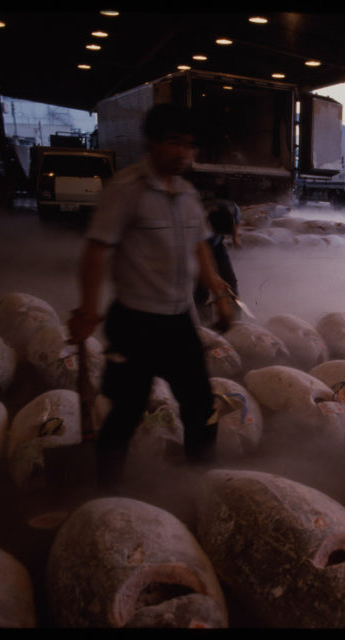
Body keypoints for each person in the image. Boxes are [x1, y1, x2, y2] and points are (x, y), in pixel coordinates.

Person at [68, 103, 235, 491]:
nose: (182, 153)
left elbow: (201, 248)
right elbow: (96, 250)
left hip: (179, 321)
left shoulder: (189, 194)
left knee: (200, 408)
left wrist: (219, 292)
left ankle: (201, 487)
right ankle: (106, 493)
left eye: (190, 145)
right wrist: (89, 311)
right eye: (174, 143)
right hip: (135, 323)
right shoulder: (126, 190)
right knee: (124, 414)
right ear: (153, 141)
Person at [194, 199, 242, 327]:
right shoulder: (198, 219)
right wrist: (214, 277)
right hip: (200, 247)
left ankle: (236, 317)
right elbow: (199, 254)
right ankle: (204, 320)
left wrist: (235, 238)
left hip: (218, 246)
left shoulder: (234, 209)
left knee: (231, 281)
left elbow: (236, 224)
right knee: (201, 285)